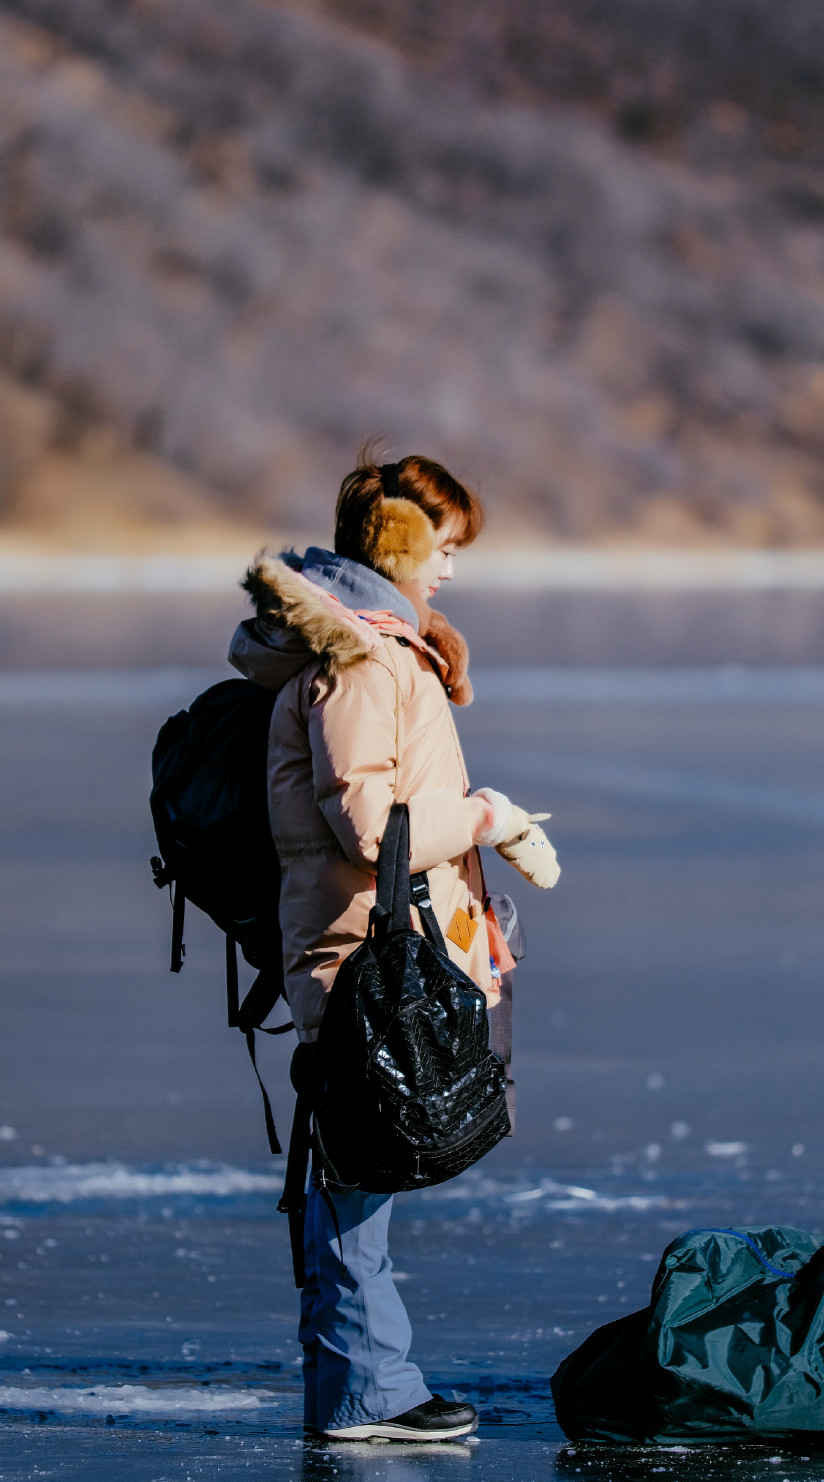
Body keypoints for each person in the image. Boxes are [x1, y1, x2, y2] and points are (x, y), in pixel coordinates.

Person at [228, 450, 559, 1442]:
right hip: (359, 955)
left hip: (375, 945)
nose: (452, 569)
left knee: (354, 1165)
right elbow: (371, 825)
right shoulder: (362, 662)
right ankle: (366, 1393)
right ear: (404, 544)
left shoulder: (380, 652)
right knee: (355, 1166)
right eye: (446, 547)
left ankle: (365, 1381)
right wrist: (487, 815)